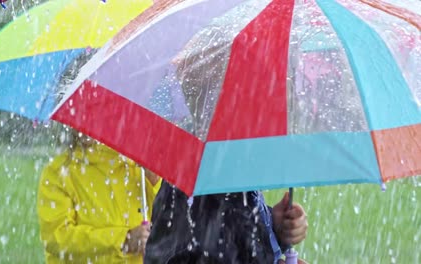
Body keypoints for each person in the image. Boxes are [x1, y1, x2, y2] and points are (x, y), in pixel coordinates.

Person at [144, 3, 308, 263]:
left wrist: (272, 227)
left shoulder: (227, 172)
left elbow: (239, 231)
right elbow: (220, 249)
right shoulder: (205, 186)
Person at [37, 131, 161, 263]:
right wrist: (123, 240)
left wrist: (154, 180)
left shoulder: (137, 164)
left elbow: (167, 220)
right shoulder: (59, 172)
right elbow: (57, 239)